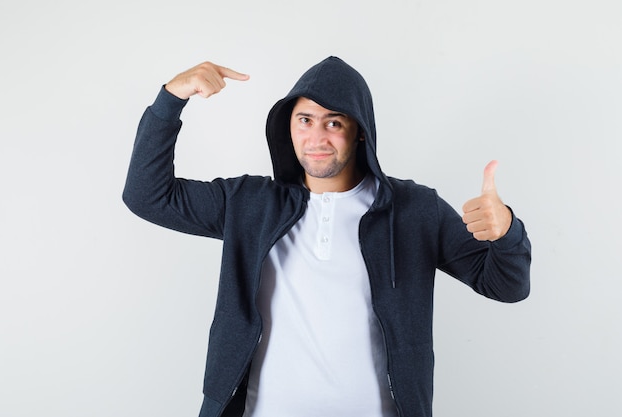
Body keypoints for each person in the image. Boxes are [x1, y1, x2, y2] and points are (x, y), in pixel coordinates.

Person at [123, 56, 531, 417]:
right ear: (289, 127)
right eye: (305, 120)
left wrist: (506, 231)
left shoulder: (413, 210)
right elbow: (146, 195)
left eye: (334, 122)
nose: (317, 138)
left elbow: (507, 286)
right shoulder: (250, 203)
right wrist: (171, 99)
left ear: (359, 132)